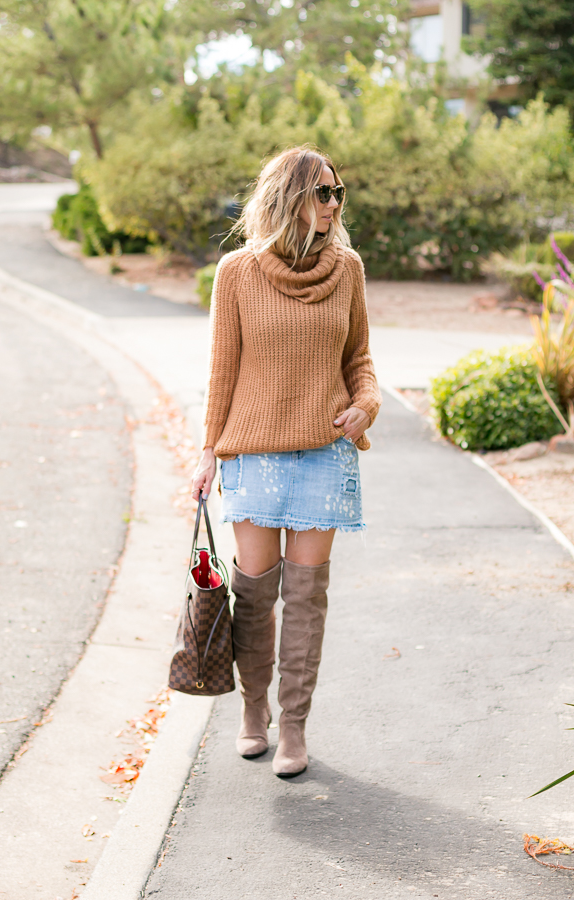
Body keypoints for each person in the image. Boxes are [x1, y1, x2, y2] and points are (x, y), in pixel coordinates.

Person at [191, 145, 382, 777]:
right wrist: (208, 453)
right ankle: (254, 712)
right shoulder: (237, 272)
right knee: (254, 594)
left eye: (337, 192)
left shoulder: (347, 269)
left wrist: (366, 404)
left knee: (306, 596)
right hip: (255, 454)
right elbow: (222, 372)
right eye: (322, 192)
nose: (333, 204)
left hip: (324, 454)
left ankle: (294, 727)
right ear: (289, 197)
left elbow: (359, 359)